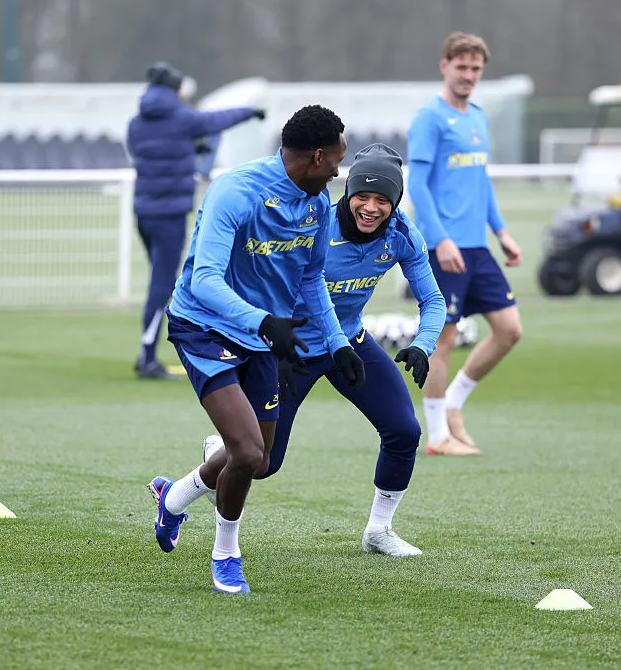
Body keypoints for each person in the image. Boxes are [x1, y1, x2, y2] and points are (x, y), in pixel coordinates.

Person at [146, 105, 365, 594]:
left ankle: (173, 498)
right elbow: (203, 281)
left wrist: (337, 344)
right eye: (335, 160)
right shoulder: (236, 191)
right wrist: (265, 322)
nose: (338, 171)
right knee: (244, 450)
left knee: (259, 460)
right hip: (204, 328)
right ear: (315, 156)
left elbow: (311, 279)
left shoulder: (317, 205)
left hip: (260, 335)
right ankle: (225, 556)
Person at [200, 144, 446, 557]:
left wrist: (423, 345)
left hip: (349, 344)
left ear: (396, 202)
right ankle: (220, 449)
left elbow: (434, 301)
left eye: (382, 200)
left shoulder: (403, 234)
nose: (370, 207)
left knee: (404, 431)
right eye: (362, 197)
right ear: (346, 193)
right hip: (290, 351)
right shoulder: (314, 225)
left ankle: (379, 531)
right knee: (262, 464)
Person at [407, 32, 523, 456]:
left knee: (510, 330)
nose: (469, 75)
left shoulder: (478, 117)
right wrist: (440, 240)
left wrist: (502, 232)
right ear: (445, 66)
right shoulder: (430, 119)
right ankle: (437, 435)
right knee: (444, 339)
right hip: (446, 247)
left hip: (477, 246)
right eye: (462, 66)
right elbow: (417, 183)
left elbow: (481, 182)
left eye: (476, 69)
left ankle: (454, 404)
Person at [127, 61, 266, 379]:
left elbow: (145, 150)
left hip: (143, 212)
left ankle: (152, 350)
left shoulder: (136, 123)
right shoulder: (183, 117)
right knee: (162, 287)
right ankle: (147, 358)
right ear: (175, 89)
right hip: (170, 215)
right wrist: (249, 112)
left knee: (161, 284)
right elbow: (217, 120)